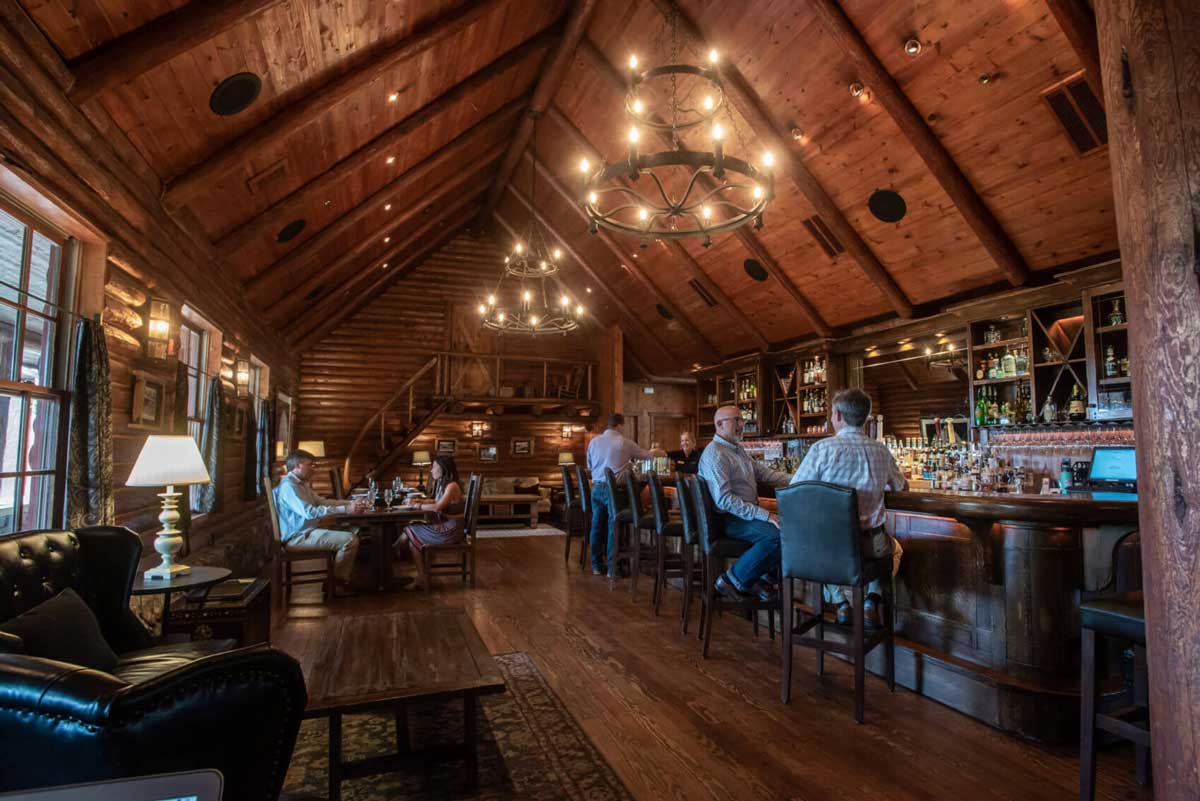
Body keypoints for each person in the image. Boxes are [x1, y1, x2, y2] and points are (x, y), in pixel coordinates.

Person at [789, 388, 906, 627]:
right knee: (895, 550)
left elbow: (794, 491)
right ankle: (871, 600)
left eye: (832, 414)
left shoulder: (823, 449)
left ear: (839, 416)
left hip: (830, 548)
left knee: (822, 544)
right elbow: (900, 487)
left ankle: (840, 602)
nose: (831, 418)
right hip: (870, 545)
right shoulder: (881, 450)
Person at [697, 406, 792, 602]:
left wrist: (800, 478)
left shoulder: (736, 449)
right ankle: (731, 580)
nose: (742, 425)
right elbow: (724, 501)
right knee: (780, 537)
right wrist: (766, 515)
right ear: (720, 424)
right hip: (729, 519)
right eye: (737, 420)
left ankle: (757, 578)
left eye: (742, 420)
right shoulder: (716, 454)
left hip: (742, 516)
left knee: (788, 532)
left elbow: (764, 473)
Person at [274, 449, 364, 595]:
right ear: (297, 466)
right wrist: (345, 509)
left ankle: (339, 580)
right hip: (297, 538)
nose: (313, 468)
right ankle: (336, 584)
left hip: (306, 532)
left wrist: (348, 504)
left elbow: (322, 502)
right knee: (349, 540)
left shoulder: (300, 484)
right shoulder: (289, 487)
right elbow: (310, 513)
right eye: (310, 465)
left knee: (353, 531)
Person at [585, 413, 653, 578]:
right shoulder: (624, 442)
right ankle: (612, 568)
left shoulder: (594, 441)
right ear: (620, 426)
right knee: (612, 526)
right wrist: (656, 451)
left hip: (596, 488)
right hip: (613, 491)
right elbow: (648, 456)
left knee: (596, 525)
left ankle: (596, 566)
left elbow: (589, 465)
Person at [401, 455, 465, 589]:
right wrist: (420, 501)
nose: (431, 470)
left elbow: (437, 507)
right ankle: (422, 577)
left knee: (410, 529)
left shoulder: (452, 486)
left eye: (434, 467)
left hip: (450, 531)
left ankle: (393, 554)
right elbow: (437, 502)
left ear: (443, 469)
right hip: (446, 526)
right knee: (412, 539)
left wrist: (416, 506)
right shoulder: (444, 484)